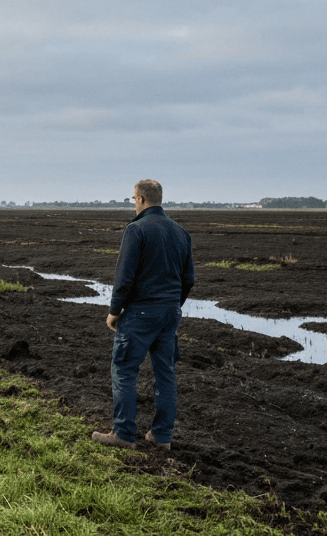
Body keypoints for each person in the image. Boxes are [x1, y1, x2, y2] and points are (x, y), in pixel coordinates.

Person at [92, 179, 195, 451]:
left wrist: (114, 311)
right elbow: (189, 279)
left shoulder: (136, 230)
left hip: (141, 312)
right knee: (165, 373)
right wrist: (173, 304)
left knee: (124, 369)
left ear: (140, 199)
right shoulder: (181, 233)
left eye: (133, 199)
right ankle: (162, 436)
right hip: (170, 313)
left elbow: (124, 277)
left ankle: (123, 433)